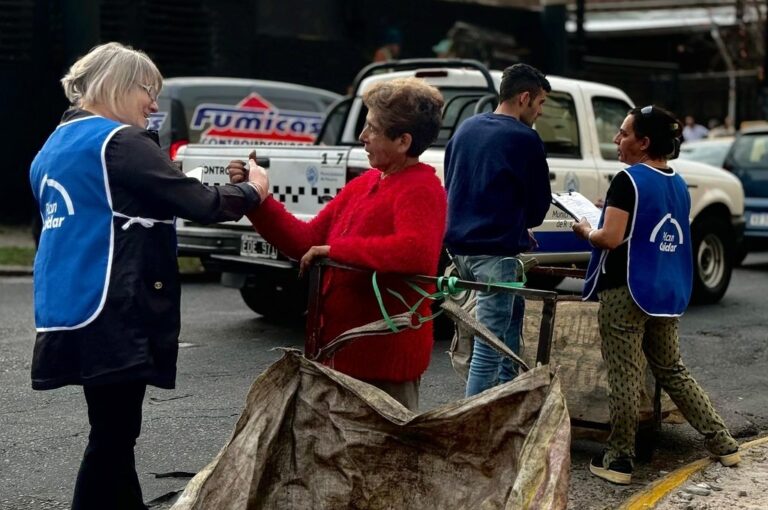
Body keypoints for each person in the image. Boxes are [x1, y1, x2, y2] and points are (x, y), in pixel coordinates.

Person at [29, 42, 268, 510]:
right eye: (147, 90)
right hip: (117, 308)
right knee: (113, 437)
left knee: (111, 430)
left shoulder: (53, 146)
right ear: (117, 86)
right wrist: (252, 190)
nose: (154, 104)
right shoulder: (121, 143)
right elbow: (202, 204)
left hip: (70, 305)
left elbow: (71, 223)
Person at [227, 77, 446, 411]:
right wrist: (257, 199)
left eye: (372, 128)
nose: (363, 137)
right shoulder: (366, 183)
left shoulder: (422, 189)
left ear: (403, 141)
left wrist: (337, 252)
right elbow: (306, 241)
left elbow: (416, 251)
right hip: (339, 356)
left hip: (383, 365)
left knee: (379, 461)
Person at [571, 105, 740, 485]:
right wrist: (608, 212)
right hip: (665, 292)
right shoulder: (677, 182)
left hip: (626, 292)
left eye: (624, 134)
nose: (617, 140)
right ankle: (723, 442)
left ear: (644, 142)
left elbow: (611, 239)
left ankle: (619, 459)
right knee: (673, 371)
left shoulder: (627, 180)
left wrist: (585, 229)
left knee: (625, 376)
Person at [443, 63, 553, 397]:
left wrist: (515, 225)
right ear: (524, 98)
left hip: (460, 249)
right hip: (495, 256)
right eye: (540, 103)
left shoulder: (465, 129)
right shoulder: (525, 139)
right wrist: (522, 223)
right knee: (488, 350)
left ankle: (507, 403)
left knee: (507, 332)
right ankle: (472, 427)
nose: (540, 111)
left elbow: (457, 186)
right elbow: (537, 206)